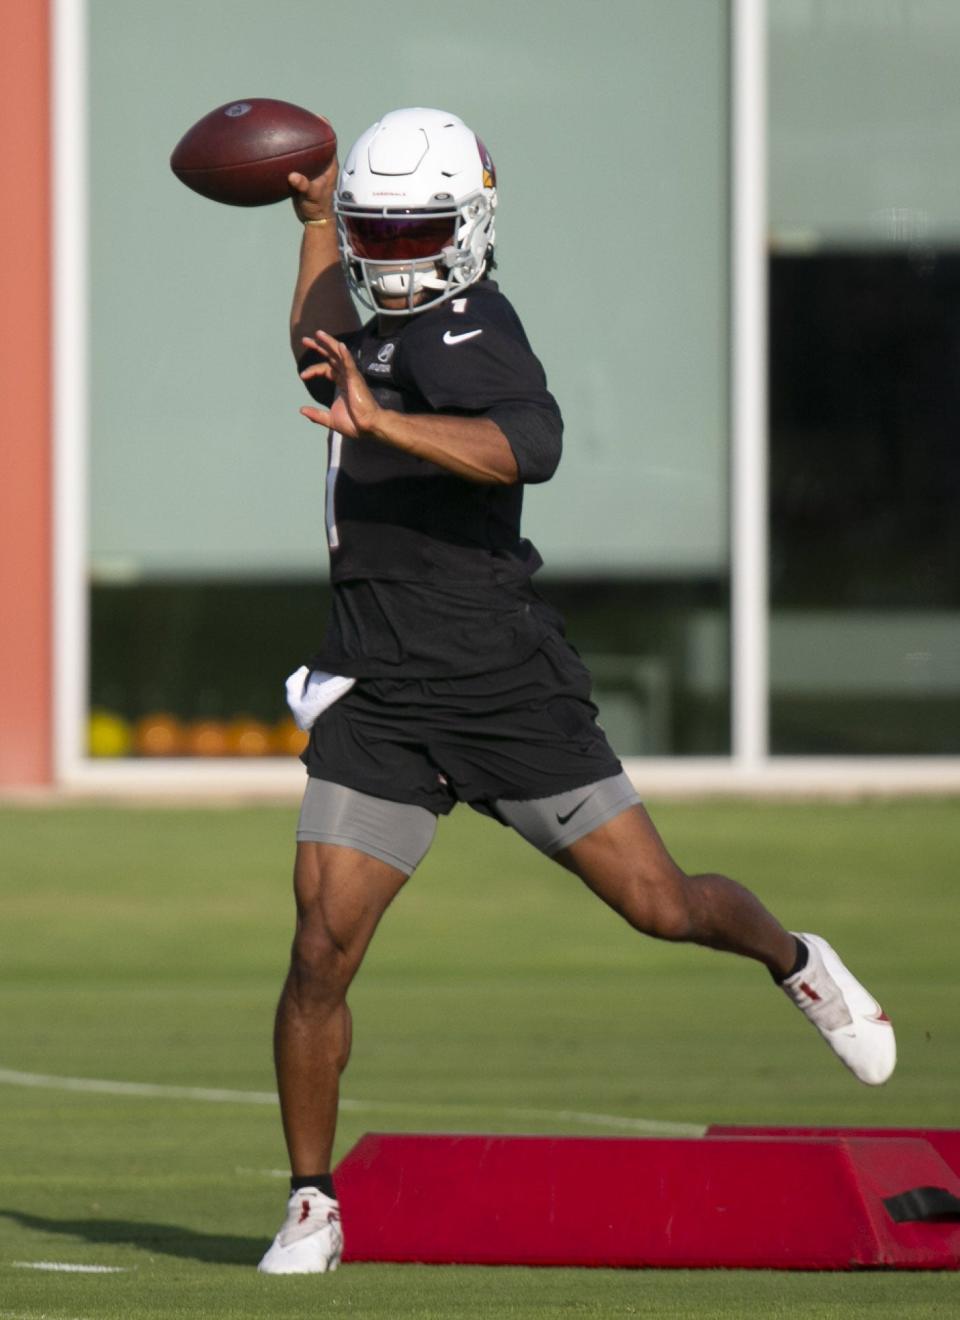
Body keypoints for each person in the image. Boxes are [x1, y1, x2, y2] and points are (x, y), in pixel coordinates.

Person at [256, 108, 896, 1276]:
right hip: (379, 694)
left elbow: (530, 445)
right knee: (317, 952)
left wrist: (386, 422)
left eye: (414, 231)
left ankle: (795, 958)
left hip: (502, 683)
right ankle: (311, 1200)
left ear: (468, 225)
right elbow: (319, 333)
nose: (392, 255)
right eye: (376, 229)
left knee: (662, 904)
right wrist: (307, 221)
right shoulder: (368, 316)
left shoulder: (475, 325)